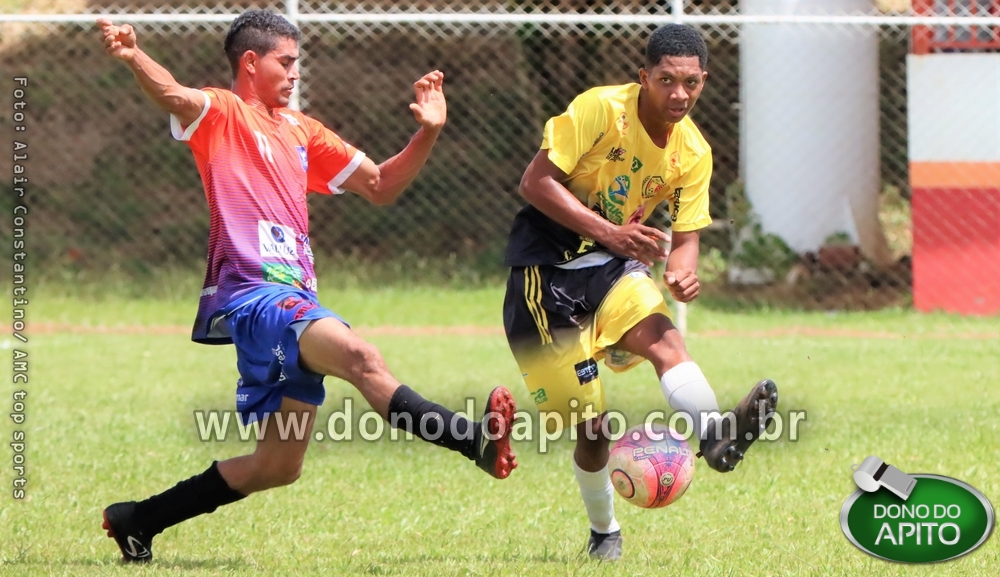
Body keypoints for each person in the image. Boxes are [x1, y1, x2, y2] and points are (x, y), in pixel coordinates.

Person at [96, 10, 517, 563]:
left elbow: (382, 185)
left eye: (298, 63)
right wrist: (133, 56)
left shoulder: (300, 130)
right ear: (251, 62)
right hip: (255, 297)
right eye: (286, 62)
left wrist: (428, 132)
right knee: (362, 357)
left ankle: (138, 520)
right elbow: (174, 95)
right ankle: (472, 441)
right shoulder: (222, 113)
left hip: (295, 302)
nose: (295, 73)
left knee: (277, 467)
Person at [502, 23, 778, 560]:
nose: (680, 95)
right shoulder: (600, 109)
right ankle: (604, 532)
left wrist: (682, 271)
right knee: (593, 429)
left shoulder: (694, 150)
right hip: (544, 278)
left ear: (704, 81)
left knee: (666, 341)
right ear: (643, 77)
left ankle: (716, 433)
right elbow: (534, 183)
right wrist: (609, 231)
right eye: (667, 80)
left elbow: (687, 236)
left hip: (613, 267)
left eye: (692, 83)